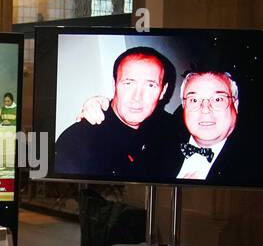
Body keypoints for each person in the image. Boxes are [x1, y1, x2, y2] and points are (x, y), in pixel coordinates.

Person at [53, 46, 177, 178]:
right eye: (128, 83)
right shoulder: (78, 140)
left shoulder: (170, 128)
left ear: (163, 91)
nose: (137, 97)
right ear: (114, 85)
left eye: (150, 85)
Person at [144, 68, 263, 184]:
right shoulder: (158, 145)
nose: (205, 109)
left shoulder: (260, 164)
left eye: (218, 99)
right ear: (183, 106)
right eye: (194, 100)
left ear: (236, 104)